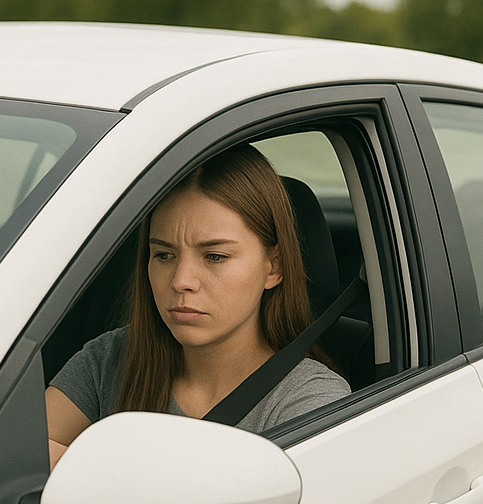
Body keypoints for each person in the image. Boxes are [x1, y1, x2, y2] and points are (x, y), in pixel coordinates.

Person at [47, 143, 349, 467]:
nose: (181, 280)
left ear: (273, 268)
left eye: (215, 256)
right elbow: (7, 452)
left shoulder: (309, 400)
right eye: (164, 255)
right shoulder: (112, 359)